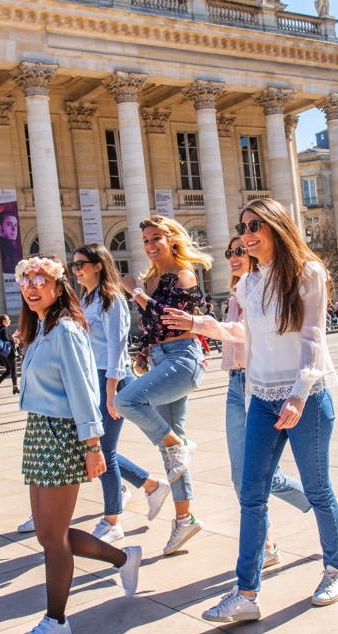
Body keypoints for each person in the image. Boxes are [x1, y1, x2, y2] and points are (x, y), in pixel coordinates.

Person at [201, 198, 338, 623]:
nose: (246, 235)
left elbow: (313, 338)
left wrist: (300, 394)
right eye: (243, 226)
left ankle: (336, 569)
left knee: (318, 490)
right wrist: (200, 326)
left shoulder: (308, 274)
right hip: (262, 400)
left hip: (306, 397)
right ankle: (246, 592)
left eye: (255, 225)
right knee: (251, 494)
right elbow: (241, 333)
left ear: (277, 227)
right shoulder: (248, 284)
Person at [10, 254, 141, 634]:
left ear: (58, 285)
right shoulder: (40, 328)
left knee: (52, 537)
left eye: (40, 279)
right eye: (25, 281)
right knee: (49, 532)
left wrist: (93, 445)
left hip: (64, 434)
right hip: (39, 432)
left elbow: (85, 390)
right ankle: (123, 557)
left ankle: (56, 621)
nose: (32, 287)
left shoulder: (66, 329)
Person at [163, 235, 316, 571]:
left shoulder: (261, 292)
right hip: (236, 385)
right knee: (244, 476)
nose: (232, 256)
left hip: (258, 385)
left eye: (239, 251)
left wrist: (198, 324)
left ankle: (318, 503)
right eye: (229, 251)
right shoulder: (238, 292)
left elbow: (242, 333)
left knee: (255, 476)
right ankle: (277, 538)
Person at [54, 243, 172, 543]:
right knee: (96, 447)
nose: (76, 269)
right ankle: (151, 485)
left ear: (98, 265)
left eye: (81, 264)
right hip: (94, 380)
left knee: (101, 451)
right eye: (74, 264)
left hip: (113, 381)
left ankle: (112, 521)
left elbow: (118, 351)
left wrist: (109, 392)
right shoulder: (86, 298)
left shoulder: (112, 301)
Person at [114, 214, 210, 556]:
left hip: (184, 360)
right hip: (160, 359)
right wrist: (143, 353)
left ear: (171, 239)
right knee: (172, 451)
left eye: (156, 238)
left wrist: (135, 292)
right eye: (146, 240)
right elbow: (152, 330)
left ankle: (176, 445)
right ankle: (185, 520)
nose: (150, 245)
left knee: (124, 402)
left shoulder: (183, 275)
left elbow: (166, 317)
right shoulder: (150, 279)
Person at [0, 314, 19, 395]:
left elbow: (6, 339)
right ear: (4, 321)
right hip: (9, 353)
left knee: (9, 370)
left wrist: (13, 335)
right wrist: (13, 339)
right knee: (13, 370)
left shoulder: (1, 330)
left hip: (3, 354)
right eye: (8, 319)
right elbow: (7, 340)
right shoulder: (4, 329)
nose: (9, 321)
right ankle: (15, 388)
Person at [0, 205, 23, 275]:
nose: (14, 229)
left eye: (15, 225)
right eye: (9, 225)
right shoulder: (3, 250)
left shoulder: (13, 248)